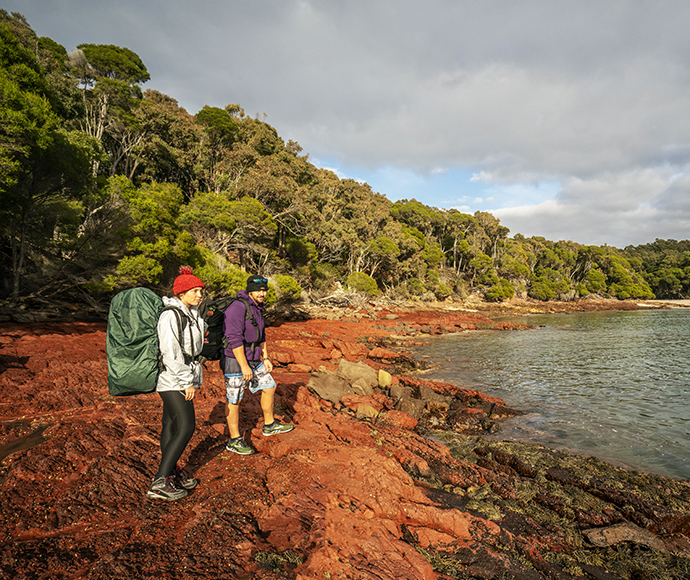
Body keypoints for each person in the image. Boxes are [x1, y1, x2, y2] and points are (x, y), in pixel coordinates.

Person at [146, 266, 208, 501]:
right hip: (173, 379)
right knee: (186, 427)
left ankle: (170, 474)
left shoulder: (190, 313)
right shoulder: (171, 315)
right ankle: (160, 482)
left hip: (176, 378)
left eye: (201, 290)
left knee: (170, 427)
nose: (199, 295)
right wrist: (186, 382)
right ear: (181, 293)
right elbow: (170, 352)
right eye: (194, 291)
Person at [222, 275, 294, 455]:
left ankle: (269, 425)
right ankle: (234, 439)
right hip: (235, 359)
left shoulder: (257, 308)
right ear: (249, 290)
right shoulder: (237, 308)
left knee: (269, 386)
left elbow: (261, 335)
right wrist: (244, 366)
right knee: (235, 398)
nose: (262, 293)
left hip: (254, 357)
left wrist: (266, 357)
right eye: (258, 290)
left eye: (264, 290)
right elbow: (234, 338)